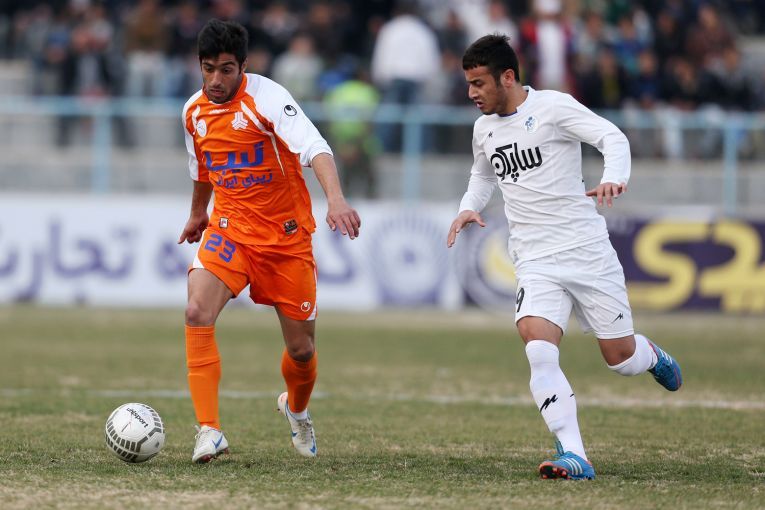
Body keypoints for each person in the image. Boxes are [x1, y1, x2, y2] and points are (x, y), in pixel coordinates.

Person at [446, 34, 682, 480]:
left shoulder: (553, 107)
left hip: (586, 251)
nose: (471, 93)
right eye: (469, 83)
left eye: (478, 83)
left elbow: (611, 137)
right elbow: (482, 175)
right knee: (538, 349)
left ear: (507, 76)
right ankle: (575, 455)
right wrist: (467, 207)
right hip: (534, 258)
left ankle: (650, 355)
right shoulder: (484, 129)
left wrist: (613, 177)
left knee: (620, 359)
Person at [178, 19, 360, 463]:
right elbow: (202, 168)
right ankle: (209, 430)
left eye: (226, 70)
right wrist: (199, 213)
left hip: (285, 240)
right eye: (208, 69)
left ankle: (296, 408)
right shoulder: (193, 112)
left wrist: (336, 200)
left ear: (244, 66)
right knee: (197, 310)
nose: (216, 80)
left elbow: (316, 148)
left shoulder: (269, 99)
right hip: (230, 231)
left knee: (302, 350)